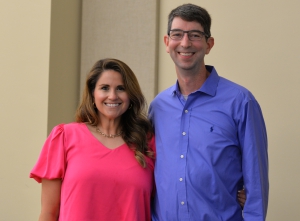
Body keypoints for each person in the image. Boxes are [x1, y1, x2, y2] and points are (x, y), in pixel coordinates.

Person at [149, 3, 268, 221]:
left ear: (208, 44)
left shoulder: (241, 102)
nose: (185, 43)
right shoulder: (157, 107)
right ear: (167, 43)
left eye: (194, 35)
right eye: (177, 34)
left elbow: (256, 185)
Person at [30, 58, 155, 221]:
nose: (112, 96)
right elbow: (48, 213)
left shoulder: (147, 143)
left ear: (130, 95)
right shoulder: (64, 137)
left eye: (121, 88)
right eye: (104, 88)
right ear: (92, 94)